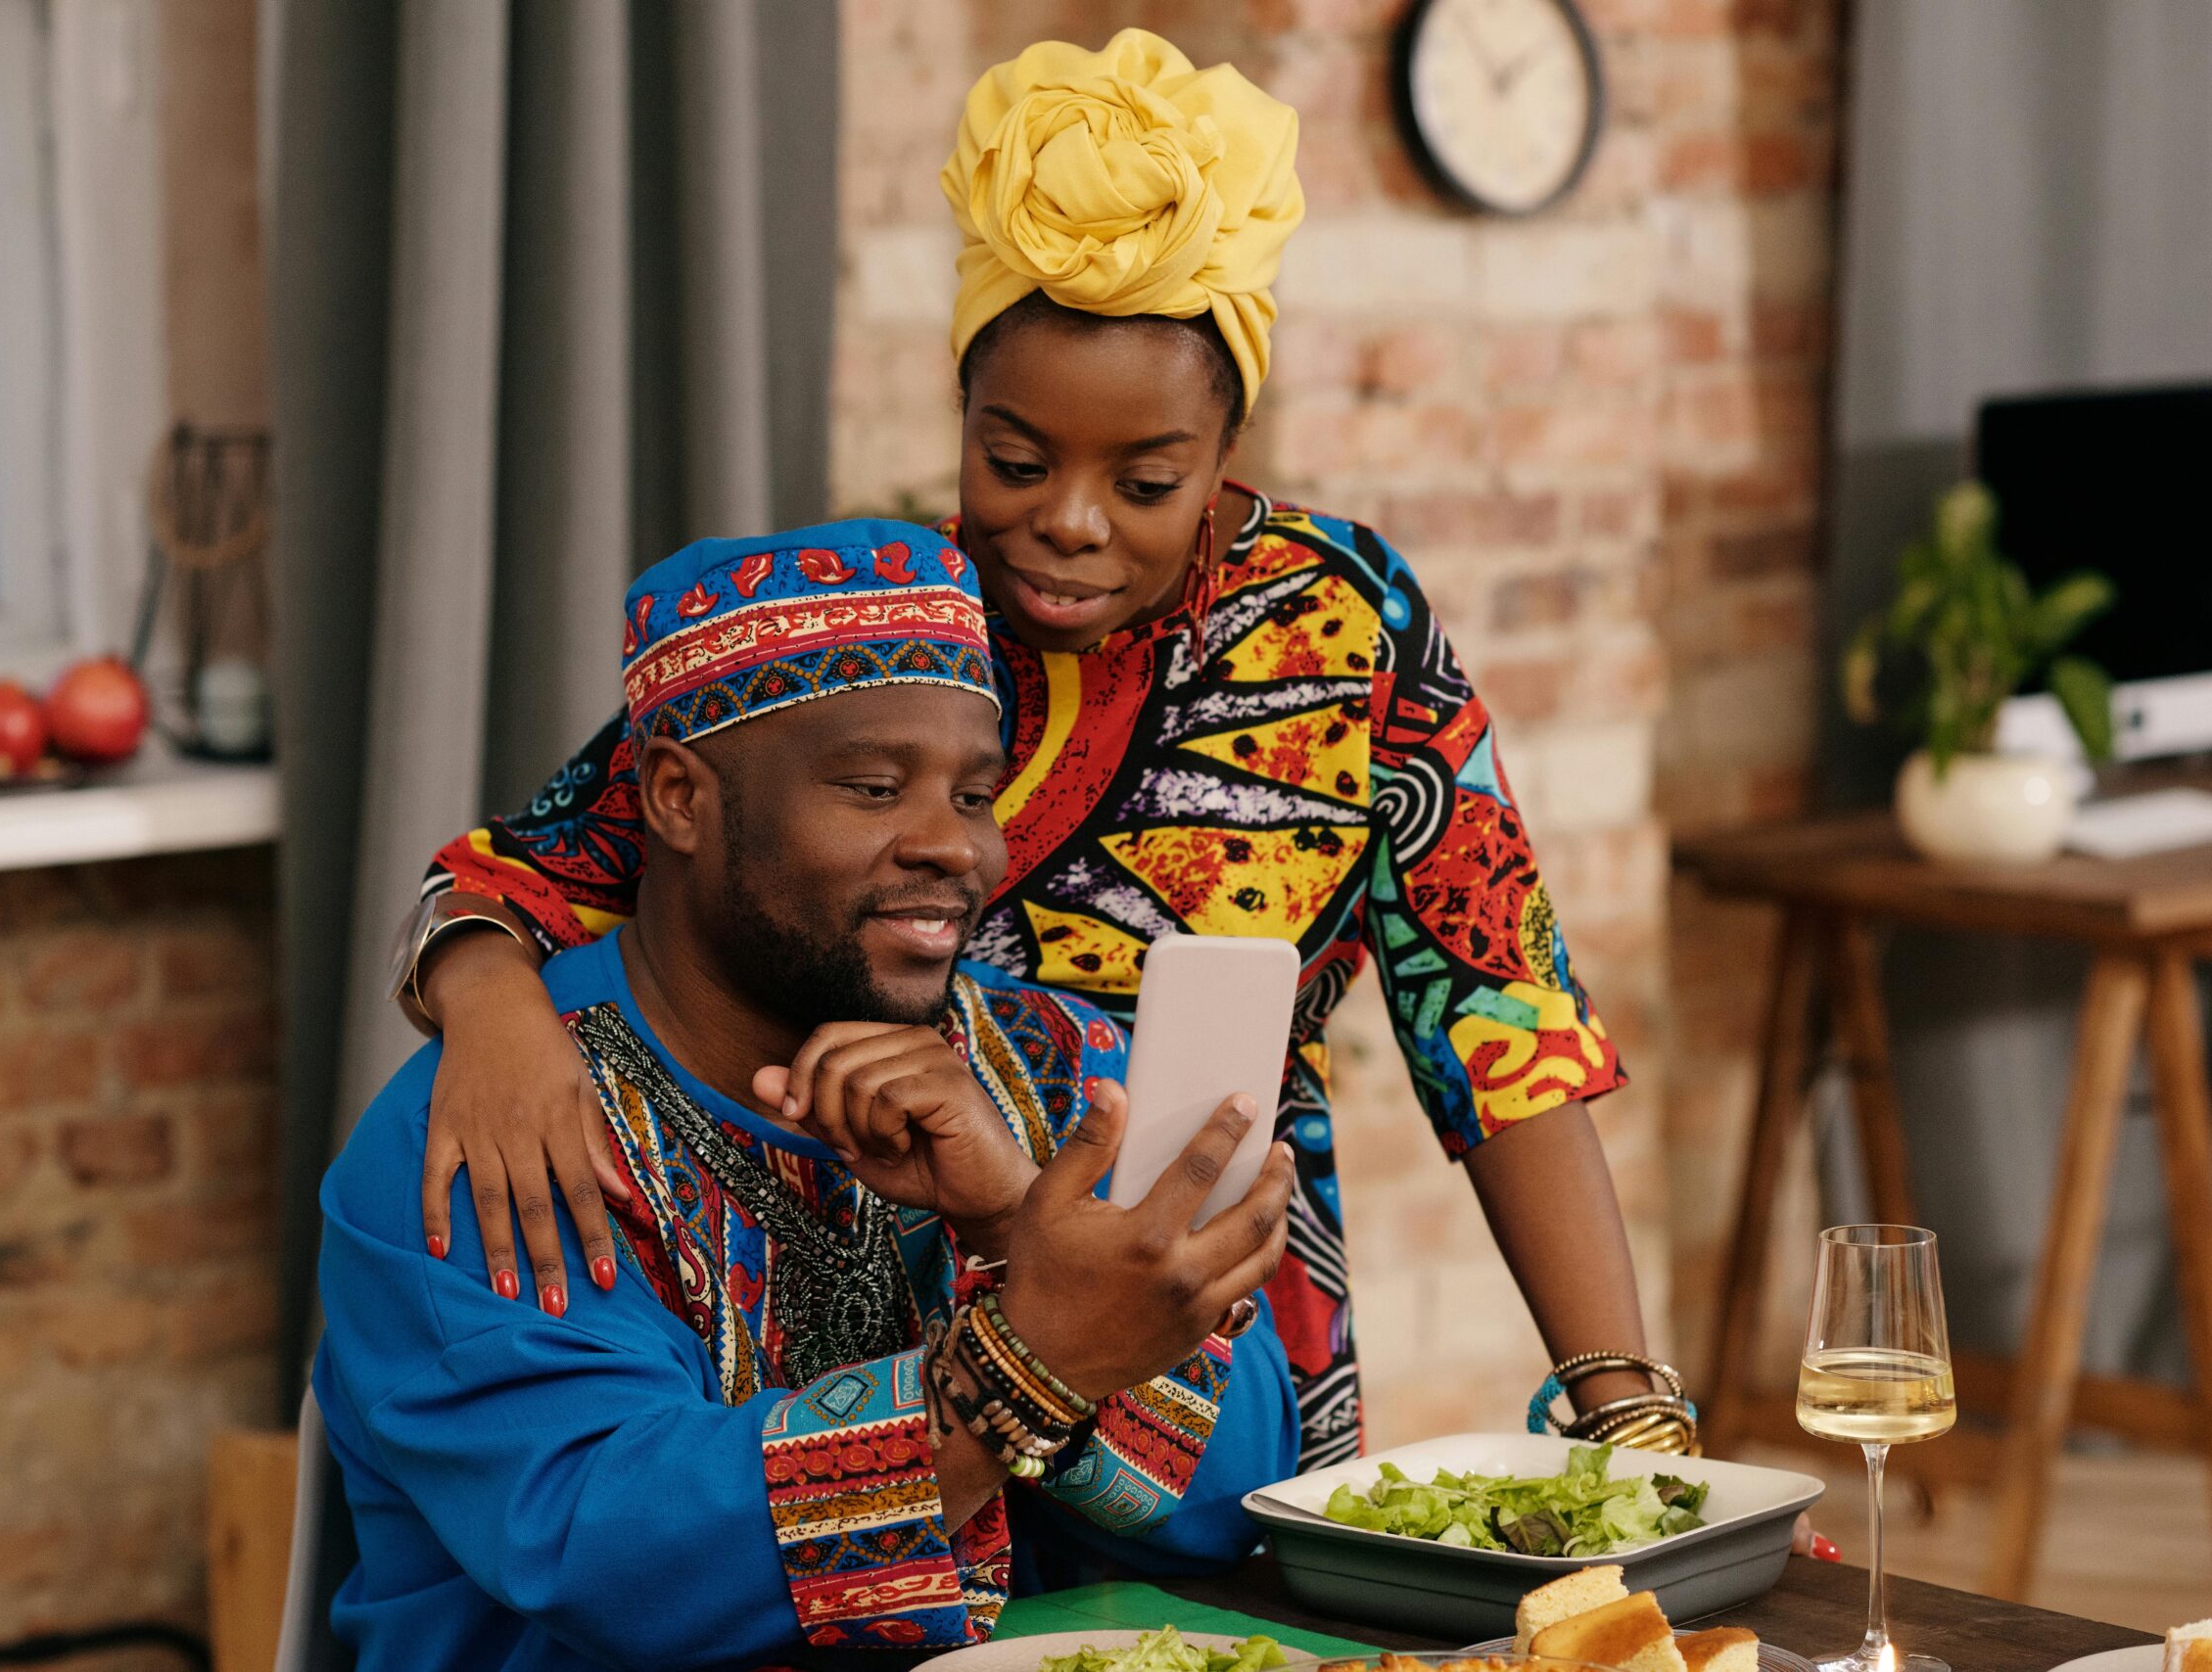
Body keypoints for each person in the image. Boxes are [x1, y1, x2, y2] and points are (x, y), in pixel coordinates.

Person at [387, 29, 1670, 1470]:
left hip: (1211, 1330)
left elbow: (1500, 1020)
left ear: (1227, 442)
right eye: (1015, 462)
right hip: (884, 1309)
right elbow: (557, 854)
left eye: (1146, 481)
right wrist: (490, 1014)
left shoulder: (1340, 630)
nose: (1068, 520)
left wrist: (1632, 1413)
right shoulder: (884, 635)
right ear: (961, 416)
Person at [318, 521, 1300, 1671]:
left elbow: (1245, 1499)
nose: (951, 847)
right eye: (874, 788)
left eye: (975, 796)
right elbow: (611, 1552)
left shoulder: (1060, 1069)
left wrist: (1011, 1221)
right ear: (680, 799)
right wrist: (1031, 1355)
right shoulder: (496, 1130)